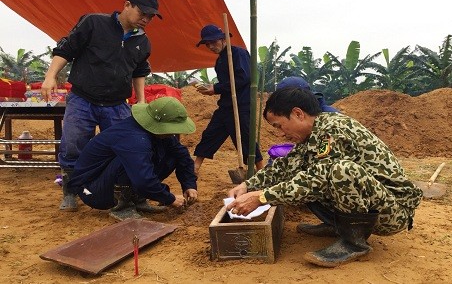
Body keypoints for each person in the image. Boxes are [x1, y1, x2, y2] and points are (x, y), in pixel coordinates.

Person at [227, 88, 423, 267]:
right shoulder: (311, 135)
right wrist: (247, 185)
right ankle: (338, 226)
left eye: (279, 126)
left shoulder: (333, 129)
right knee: (304, 172)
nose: (281, 133)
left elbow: (317, 179)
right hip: (375, 202)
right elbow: (285, 166)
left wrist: (261, 197)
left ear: (298, 113)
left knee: (340, 171)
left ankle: (354, 242)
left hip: (393, 212)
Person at [41, 0, 162, 212]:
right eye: (143, 13)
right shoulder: (93, 23)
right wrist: (50, 76)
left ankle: (131, 195)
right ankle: (70, 192)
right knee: (74, 145)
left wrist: (142, 101)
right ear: (127, 5)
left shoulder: (142, 42)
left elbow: (139, 72)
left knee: (128, 148)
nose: (146, 19)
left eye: (151, 16)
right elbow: (66, 50)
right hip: (83, 99)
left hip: (117, 104)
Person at [67, 97, 198, 221]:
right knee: (130, 162)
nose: (172, 133)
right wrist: (170, 199)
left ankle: (136, 199)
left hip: (105, 182)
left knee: (172, 155)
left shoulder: (157, 134)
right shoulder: (134, 138)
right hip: (90, 191)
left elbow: (183, 156)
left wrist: (189, 185)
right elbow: (143, 179)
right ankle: (122, 207)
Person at [193, 24, 264, 175]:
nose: (211, 46)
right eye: (208, 44)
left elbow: (244, 78)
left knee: (247, 140)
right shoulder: (219, 61)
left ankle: (262, 172)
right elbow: (226, 85)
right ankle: (195, 169)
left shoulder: (238, 54)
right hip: (226, 106)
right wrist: (212, 89)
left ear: (223, 39)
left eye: (214, 42)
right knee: (210, 134)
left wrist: (216, 88)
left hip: (241, 106)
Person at [266, 76, 339, 164]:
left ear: (298, 113)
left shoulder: (331, 126)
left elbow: (322, 168)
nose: (281, 134)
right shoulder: (308, 126)